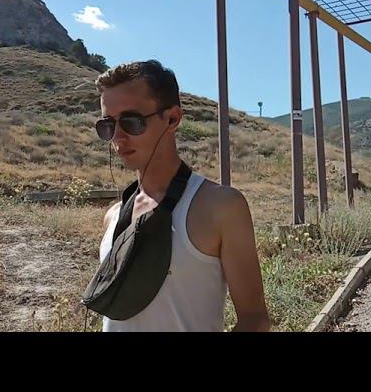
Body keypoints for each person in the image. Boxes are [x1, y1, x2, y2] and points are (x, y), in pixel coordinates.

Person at [93, 60, 270, 332]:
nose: (117, 137)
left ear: (172, 119)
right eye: (108, 125)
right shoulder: (113, 216)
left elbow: (255, 319)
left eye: (131, 122)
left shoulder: (221, 208)